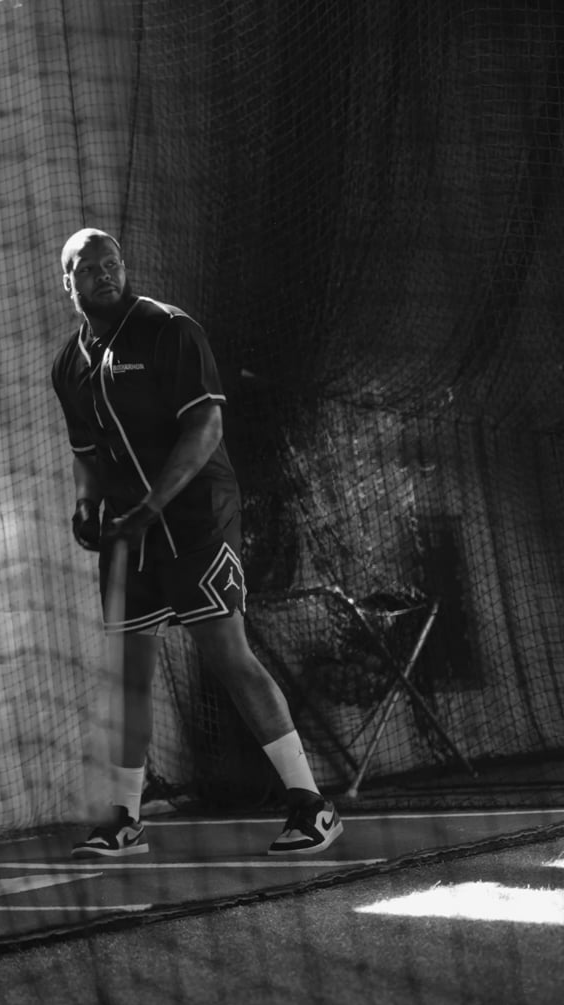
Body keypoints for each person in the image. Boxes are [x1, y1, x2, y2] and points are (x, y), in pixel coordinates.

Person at [48, 228, 342, 858]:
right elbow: (84, 454)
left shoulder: (169, 329)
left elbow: (206, 424)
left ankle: (311, 806)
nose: (105, 273)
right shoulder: (69, 364)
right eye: (88, 268)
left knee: (227, 653)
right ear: (66, 283)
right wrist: (84, 505)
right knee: (128, 674)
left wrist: (154, 505)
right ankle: (124, 820)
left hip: (194, 518)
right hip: (131, 531)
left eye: (113, 262)